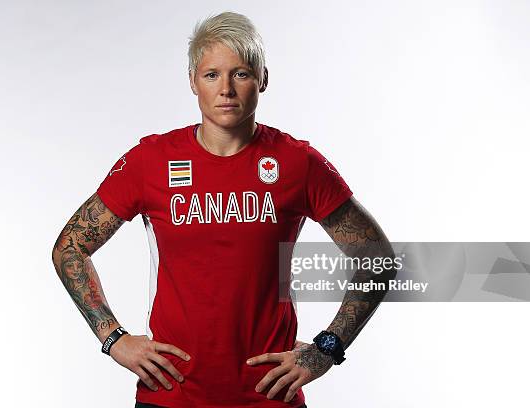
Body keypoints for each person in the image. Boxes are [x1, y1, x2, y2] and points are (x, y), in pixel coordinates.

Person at [51, 11, 396, 408]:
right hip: (171, 395)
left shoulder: (298, 163)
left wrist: (327, 348)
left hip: (270, 396)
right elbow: (70, 247)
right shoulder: (151, 161)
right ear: (193, 83)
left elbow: (376, 258)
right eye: (212, 74)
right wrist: (114, 339)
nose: (226, 89)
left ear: (263, 79)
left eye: (242, 73)